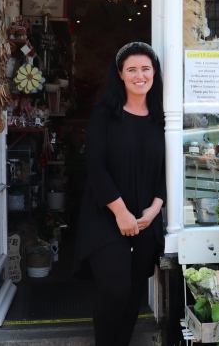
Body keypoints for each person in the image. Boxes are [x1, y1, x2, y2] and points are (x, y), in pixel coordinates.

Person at [73, 42, 166, 346]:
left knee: (135, 293)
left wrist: (154, 210)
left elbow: (168, 169)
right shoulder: (106, 115)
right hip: (106, 213)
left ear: (154, 73)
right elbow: (95, 167)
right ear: (121, 74)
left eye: (145, 69)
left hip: (145, 217)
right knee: (115, 290)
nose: (140, 75)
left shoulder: (164, 118)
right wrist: (121, 212)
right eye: (132, 69)